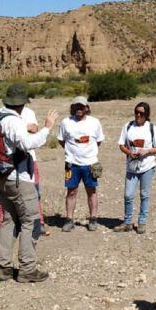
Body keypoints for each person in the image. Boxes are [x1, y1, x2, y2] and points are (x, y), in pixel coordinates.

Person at [0, 84, 60, 282]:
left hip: (2, 177)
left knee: (9, 220)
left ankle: (3, 267)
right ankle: (27, 269)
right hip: (18, 178)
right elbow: (28, 144)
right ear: (21, 104)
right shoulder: (12, 121)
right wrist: (47, 128)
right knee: (30, 220)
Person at [0, 103, 48, 237]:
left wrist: (21, 130)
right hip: (13, 165)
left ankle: (37, 223)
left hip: (10, 164)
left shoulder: (25, 112)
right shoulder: (4, 115)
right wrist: (45, 128)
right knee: (17, 197)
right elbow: (27, 142)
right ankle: (29, 229)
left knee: (31, 193)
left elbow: (34, 128)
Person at [58, 96, 105, 231]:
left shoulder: (95, 122)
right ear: (72, 108)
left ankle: (93, 219)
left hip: (91, 162)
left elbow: (99, 140)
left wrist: (88, 152)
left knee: (92, 191)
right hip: (71, 163)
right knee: (71, 191)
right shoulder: (65, 122)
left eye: (82, 106)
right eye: (76, 106)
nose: (79, 109)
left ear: (87, 108)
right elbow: (61, 140)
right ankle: (69, 219)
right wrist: (72, 152)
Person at [115, 102, 156, 234]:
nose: (138, 115)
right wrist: (129, 152)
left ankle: (142, 222)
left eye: (141, 113)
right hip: (131, 167)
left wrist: (146, 151)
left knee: (144, 195)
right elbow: (121, 145)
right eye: (136, 112)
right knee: (128, 195)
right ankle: (128, 222)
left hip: (147, 166)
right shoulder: (128, 126)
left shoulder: (152, 128)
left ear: (147, 114)